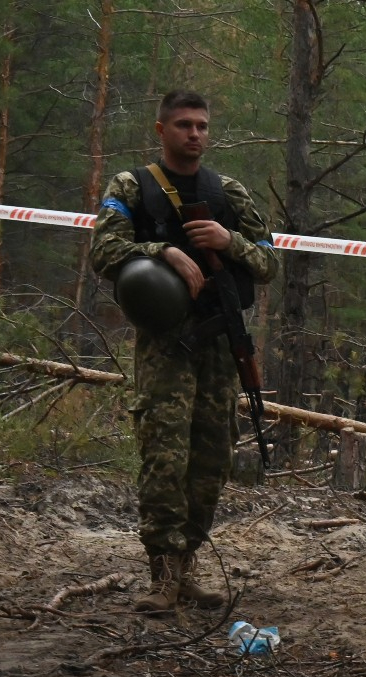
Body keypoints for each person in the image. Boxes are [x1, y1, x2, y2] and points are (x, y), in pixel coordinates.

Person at [91, 90, 279, 614]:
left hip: (217, 343)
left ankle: (189, 562)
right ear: (161, 130)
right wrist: (162, 250)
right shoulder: (133, 186)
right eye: (182, 125)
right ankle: (163, 571)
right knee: (164, 455)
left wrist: (227, 241)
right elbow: (103, 251)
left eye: (201, 125)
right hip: (166, 344)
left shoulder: (227, 192)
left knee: (210, 456)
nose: (193, 133)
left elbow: (267, 261)